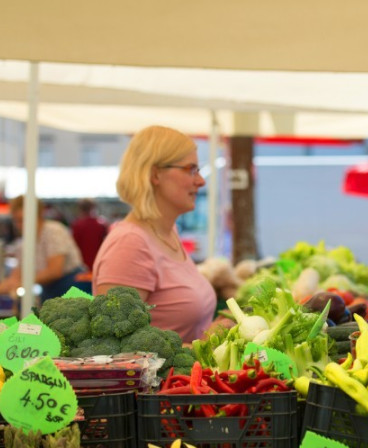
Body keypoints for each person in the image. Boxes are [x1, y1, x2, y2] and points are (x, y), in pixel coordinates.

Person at [92, 125, 216, 342]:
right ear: (155, 174)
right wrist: (209, 341)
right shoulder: (131, 244)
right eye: (191, 169)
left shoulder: (168, 233)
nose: (200, 181)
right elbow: (115, 352)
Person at [0, 195, 85, 302]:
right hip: (50, 291)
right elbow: (15, 277)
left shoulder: (54, 231)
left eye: (22, 220)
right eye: (16, 220)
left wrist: (24, 282)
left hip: (73, 288)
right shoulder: (24, 243)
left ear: (38, 215)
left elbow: (55, 270)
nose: (19, 225)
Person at [71, 198, 109, 272]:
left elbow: (74, 245)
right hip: (99, 264)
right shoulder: (101, 224)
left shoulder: (77, 225)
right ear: (93, 207)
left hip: (81, 266)